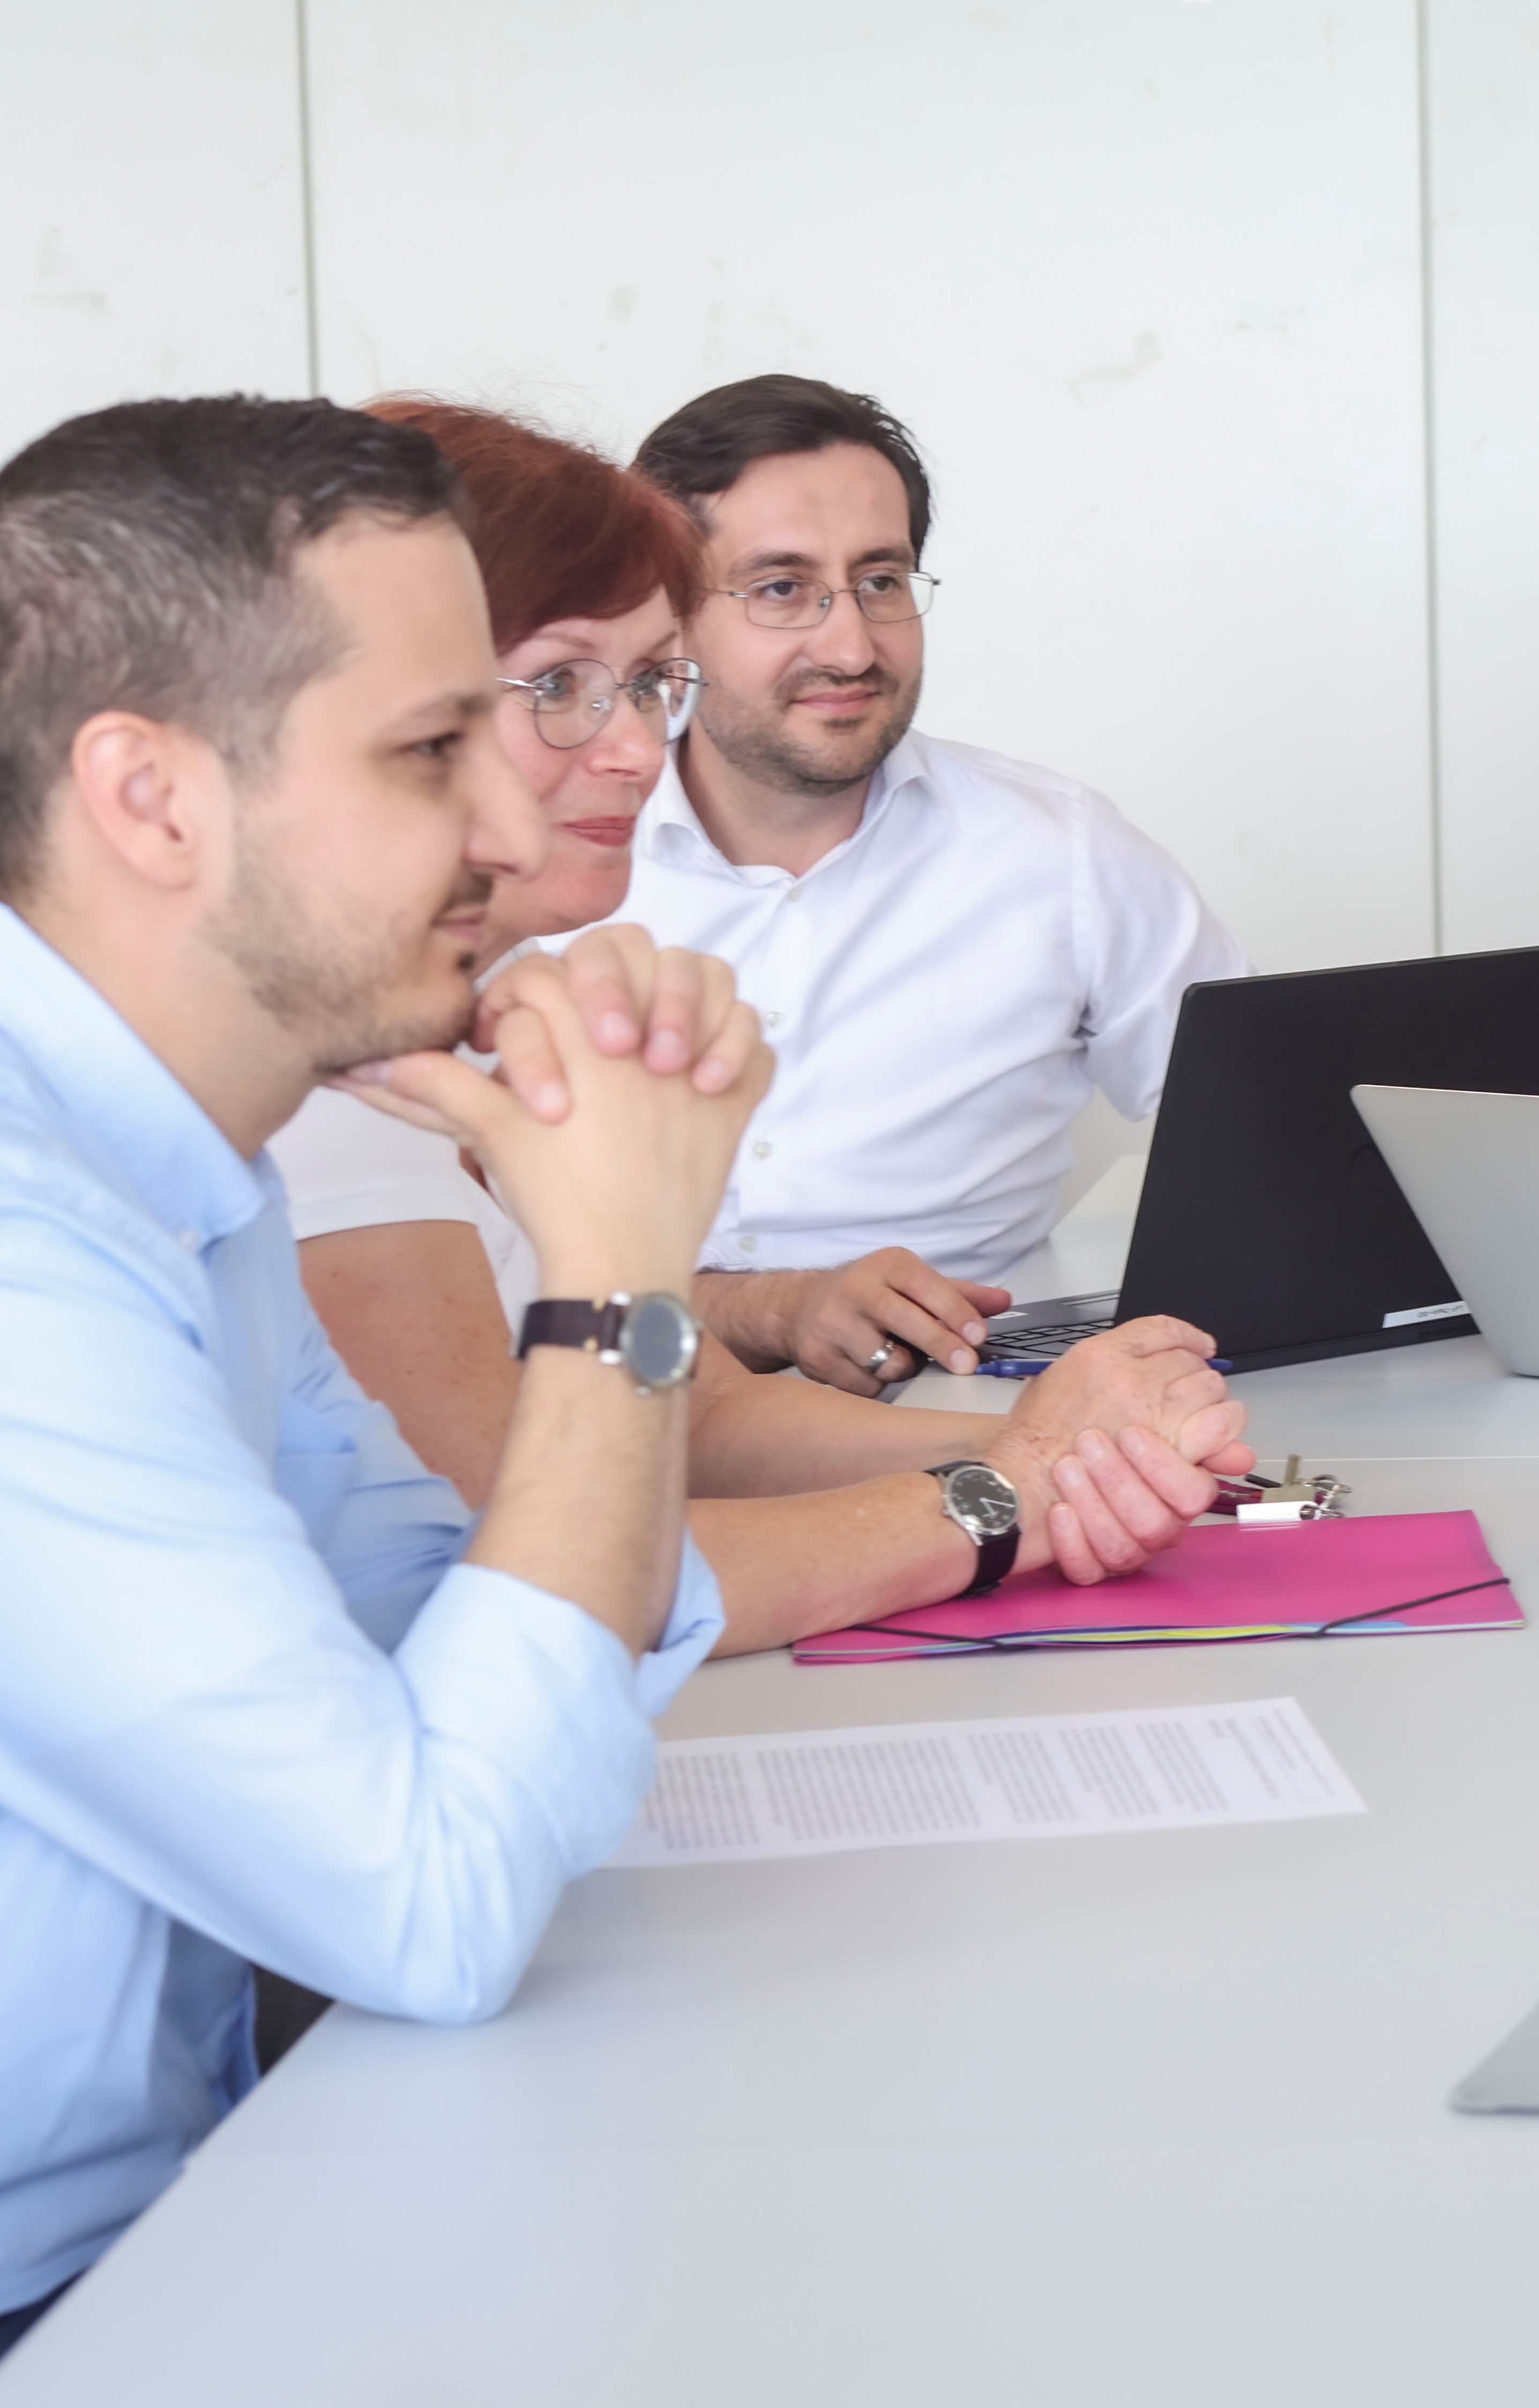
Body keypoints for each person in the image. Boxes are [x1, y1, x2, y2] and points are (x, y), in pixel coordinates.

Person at [0, 397, 763, 2352]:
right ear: (151, 797)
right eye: (436, 750)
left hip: (180, 2225)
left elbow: (451, 1628)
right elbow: (428, 1893)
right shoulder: (26, 1249)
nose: (512, 828)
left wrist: (609, 1204)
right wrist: (616, 1270)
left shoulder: (189, 1178)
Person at [270, 401, 1256, 1654]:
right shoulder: (331, 1081)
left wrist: (1064, 1443)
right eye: (562, 686)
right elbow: (542, 1567)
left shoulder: (433, 1033)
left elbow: (701, 1417)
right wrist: (1008, 1495)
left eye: (646, 686)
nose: (633, 750)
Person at [591, 373, 1247, 1393]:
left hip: (966, 1411)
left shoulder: (1060, 853)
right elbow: (462, 1270)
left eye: (882, 580)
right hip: (597, 1406)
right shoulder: (552, 858)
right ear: (668, 619)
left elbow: (1275, 1133)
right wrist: (775, 1309)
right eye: (781, 588)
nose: (852, 645)